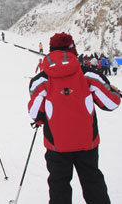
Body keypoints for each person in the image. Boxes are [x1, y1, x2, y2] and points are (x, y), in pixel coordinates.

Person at [28, 32, 121, 204]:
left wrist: (42, 118)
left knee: (59, 184)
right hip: (87, 141)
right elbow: (111, 103)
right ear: (72, 49)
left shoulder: (41, 79)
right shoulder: (88, 74)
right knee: (92, 180)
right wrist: (114, 91)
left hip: (56, 143)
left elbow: (34, 112)